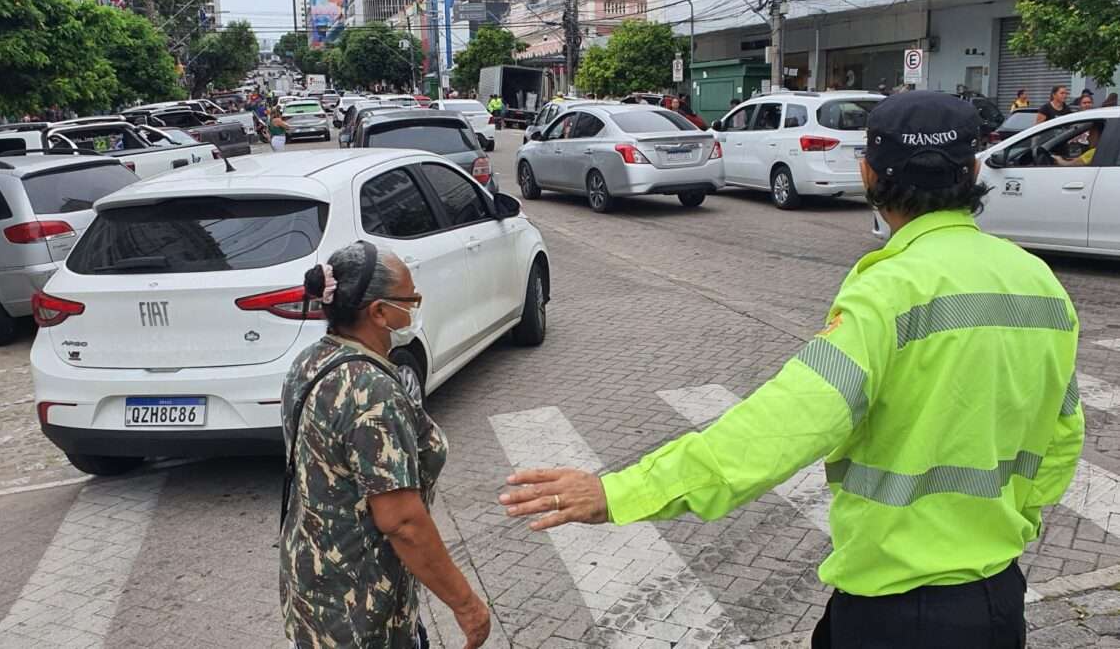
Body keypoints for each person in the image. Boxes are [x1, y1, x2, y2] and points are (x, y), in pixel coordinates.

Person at [499, 92, 1083, 648]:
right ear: (974, 167)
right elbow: (1063, 438)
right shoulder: (1039, 283)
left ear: (869, 175)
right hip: (999, 599)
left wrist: (621, 491)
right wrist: (1007, 524)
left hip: (899, 613)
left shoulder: (890, 292)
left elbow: (780, 428)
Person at [281, 241, 491, 649]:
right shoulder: (372, 391)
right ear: (378, 312)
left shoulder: (309, 361)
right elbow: (403, 522)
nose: (414, 307)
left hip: (311, 594)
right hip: (362, 617)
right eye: (409, 299)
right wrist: (467, 606)